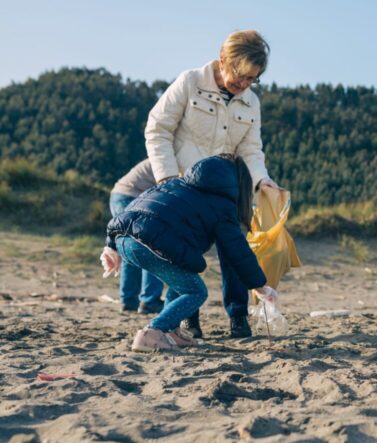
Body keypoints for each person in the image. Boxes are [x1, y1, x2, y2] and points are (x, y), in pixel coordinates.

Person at [144, 29, 277, 338]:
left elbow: (250, 149)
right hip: (185, 191)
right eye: (240, 77)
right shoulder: (189, 82)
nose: (244, 85)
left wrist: (262, 180)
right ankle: (190, 320)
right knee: (185, 255)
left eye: (252, 80)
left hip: (228, 192)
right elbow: (158, 129)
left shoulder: (251, 102)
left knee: (235, 250)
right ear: (223, 60)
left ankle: (238, 316)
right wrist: (167, 178)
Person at [101, 155, 276, 352]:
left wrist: (111, 245)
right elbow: (237, 251)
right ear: (239, 183)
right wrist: (259, 286)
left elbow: (137, 205)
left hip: (124, 238)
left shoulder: (176, 183)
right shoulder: (223, 204)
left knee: (183, 279)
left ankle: (172, 332)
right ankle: (153, 331)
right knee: (196, 291)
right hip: (151, 242)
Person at [109, 160, 164, 314]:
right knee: (152, 247)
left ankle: (129, 301)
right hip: (130, 196)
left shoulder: (166, 153)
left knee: (131, 249)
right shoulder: (169, 158)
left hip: (122, 195)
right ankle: (149, 300)